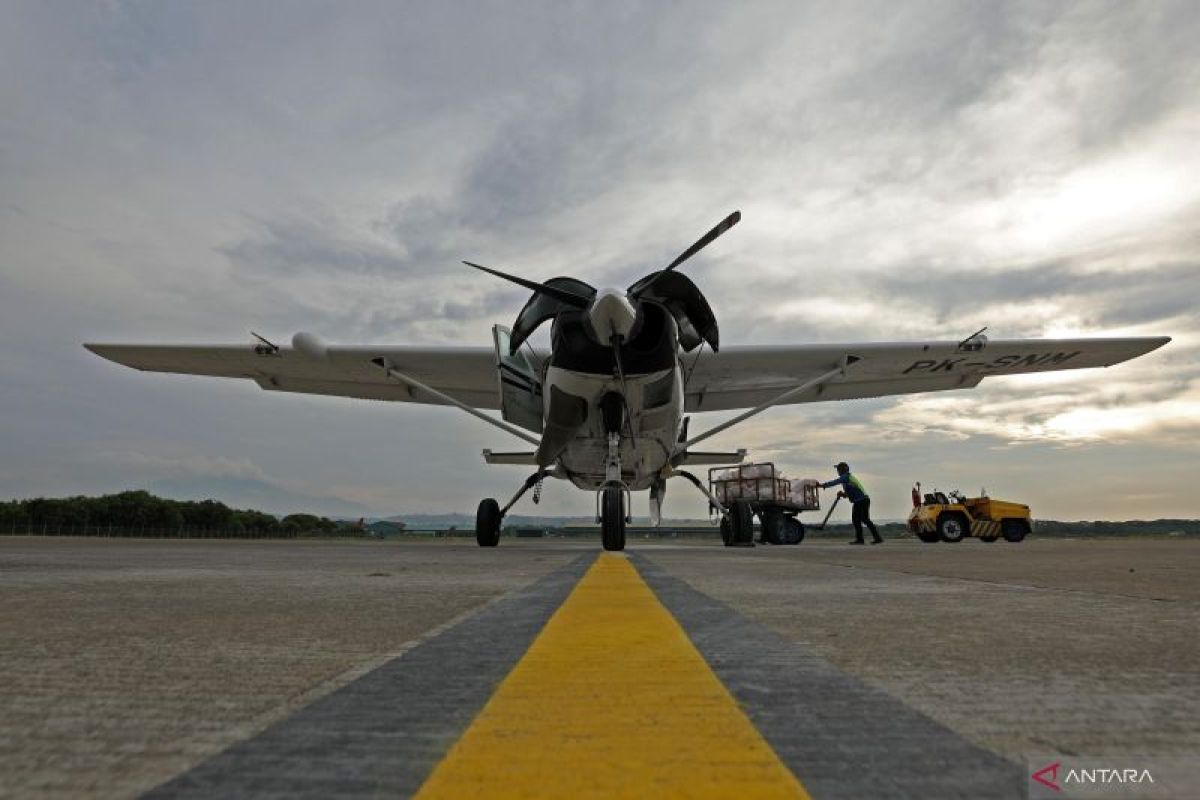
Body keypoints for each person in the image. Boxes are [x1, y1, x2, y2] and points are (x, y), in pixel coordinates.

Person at [821, 462, 882, 545]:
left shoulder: (845, 477)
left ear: (843, 470)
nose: (837, 471)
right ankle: (877, 538)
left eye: (838, 469)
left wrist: (823, 485)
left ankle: (860, 540)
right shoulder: (848, 479)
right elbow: (850, 492)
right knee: (865, 520)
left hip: (861, 501)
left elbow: (835, 482)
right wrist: (843, 494)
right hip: (863, 500)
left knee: (856, 519)